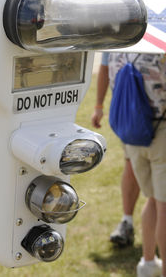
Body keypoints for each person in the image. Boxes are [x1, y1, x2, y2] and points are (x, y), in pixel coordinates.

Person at [92, 52, 166, 277]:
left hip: (132, 134)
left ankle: (148, 263)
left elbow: (106, 73)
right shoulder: (159, 47)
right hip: (160, 134)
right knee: (164, 207)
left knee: (152, 200)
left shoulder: (119, 43)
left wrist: (98, 105)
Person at [92, 53, 140, 247]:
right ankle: (127, 222)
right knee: (132, 164)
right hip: (131, 114)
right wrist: (98, 105)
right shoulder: (122, 28)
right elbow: (104, 67)